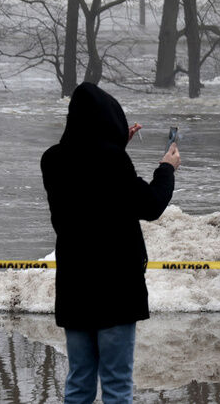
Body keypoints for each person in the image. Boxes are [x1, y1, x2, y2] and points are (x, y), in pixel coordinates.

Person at [42, 82, 180, 404]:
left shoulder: (53, 161)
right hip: (115, 290)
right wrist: (166, 169)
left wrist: (117, 145)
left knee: (79, 382)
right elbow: (150, 205)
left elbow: (89, 177)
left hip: (75, 288)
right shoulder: (113, 162)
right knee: (117, 386)